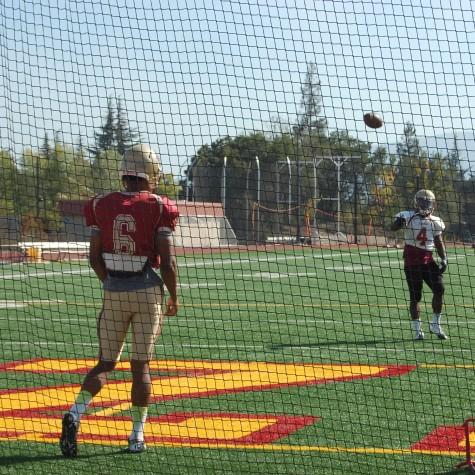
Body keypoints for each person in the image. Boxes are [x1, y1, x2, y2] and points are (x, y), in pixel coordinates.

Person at [59, 144, 179, 456]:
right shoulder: (158, 205)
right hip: (146, 292)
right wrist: (174, 296)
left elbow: (94, 257)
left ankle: (75, 412)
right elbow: (167, 263)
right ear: (151, 173)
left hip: (114, 290)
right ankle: (136, 436)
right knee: (140, 369)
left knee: (105, 363)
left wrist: (110, 284)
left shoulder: (101, 204)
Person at [391, 189, 448, 341]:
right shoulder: (407, 216)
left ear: (432, 203)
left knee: (440, 289)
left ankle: (435, 323)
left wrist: (444, 258)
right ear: (417, 202)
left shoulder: (435, 221)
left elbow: (438, 241)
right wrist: (399, 223)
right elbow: (393, 227)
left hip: (428, 260)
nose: (425, 204)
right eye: (422, 201)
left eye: (427, 201)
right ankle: (417, 330)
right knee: (415, 296)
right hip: (412, 261)